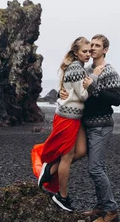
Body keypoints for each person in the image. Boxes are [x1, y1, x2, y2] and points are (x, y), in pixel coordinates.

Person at [60, 34, 120, 222]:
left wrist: (93, 86)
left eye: (97, 46)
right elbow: (78, 94)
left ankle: (111, 211)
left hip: (101, 125)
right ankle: (101, 207)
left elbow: (116, 99)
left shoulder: (109, 71)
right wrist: (63, 94)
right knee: (98, 167)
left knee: (95, 169)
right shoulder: (86, 70)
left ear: (105, 50)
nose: (93, 48)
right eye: (91, 45)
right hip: (86, 125)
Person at [31, 36, 93, 212]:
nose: (88, 54)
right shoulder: (76, 68)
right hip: (67, 117)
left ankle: (50, 169)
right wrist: (91, 85)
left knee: (81, 151)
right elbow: (82, 95)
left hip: (74, 117)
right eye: (84, 51)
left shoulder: (78, 67)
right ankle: (62, 197)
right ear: (76, 52)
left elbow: (75, 92)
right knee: (67, 156)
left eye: (89, 51)